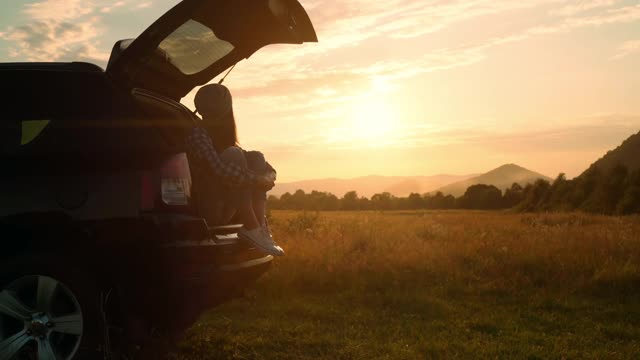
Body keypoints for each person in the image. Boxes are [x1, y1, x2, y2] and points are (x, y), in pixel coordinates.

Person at [185, 84, 283, 256]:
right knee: (233, 154)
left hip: (228, 207)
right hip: (209, 209)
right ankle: (252, 228)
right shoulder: (197, 134)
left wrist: (267, 176)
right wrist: (259, 180)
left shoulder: (222, 135)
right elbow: (219, 170)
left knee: (256, 156)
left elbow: (268, 169)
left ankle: (259, 229)